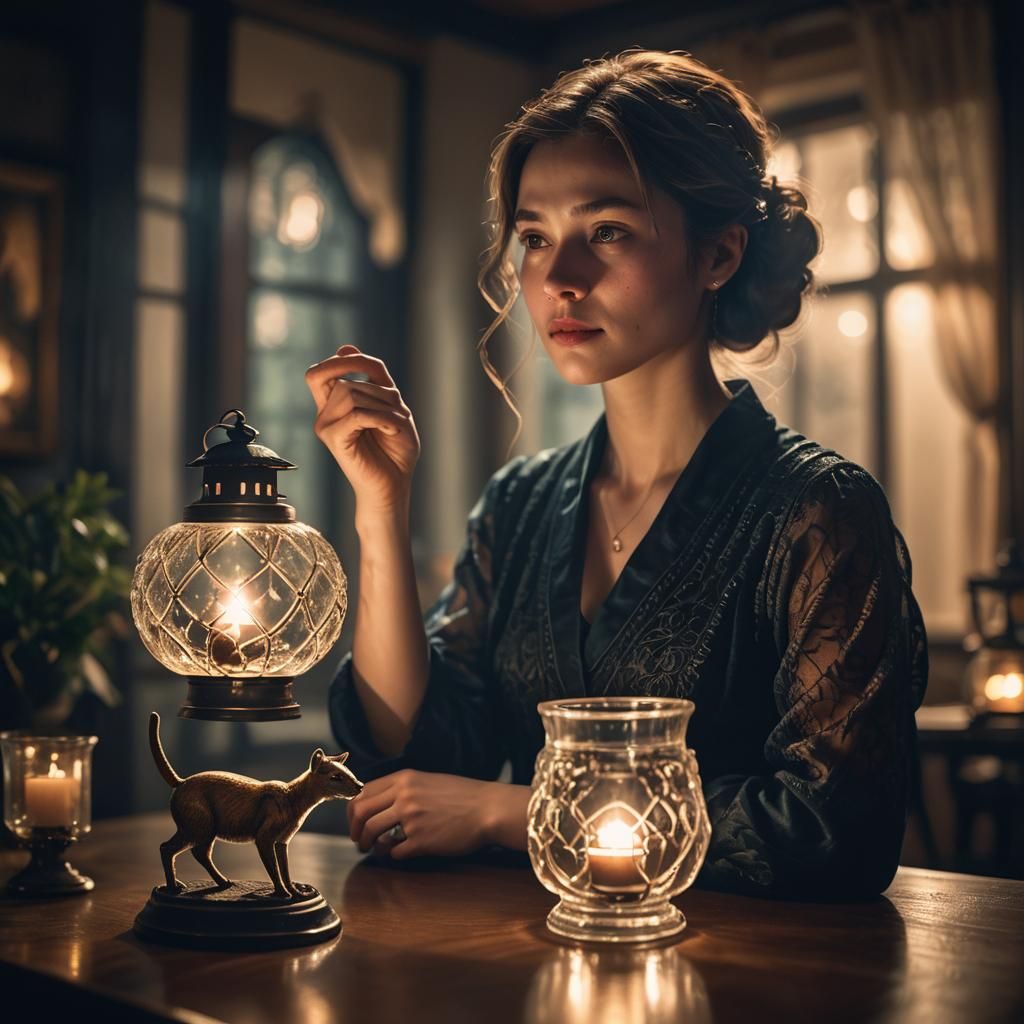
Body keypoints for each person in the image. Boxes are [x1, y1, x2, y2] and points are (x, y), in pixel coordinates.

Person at [305, 49, 928, 899]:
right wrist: (381, 510)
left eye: (606, 231)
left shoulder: (818, 510)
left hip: (752, 963)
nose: (559, 279)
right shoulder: (520, 504)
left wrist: (516, 812)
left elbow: (834, 830)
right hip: (522, 954)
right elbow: (416, 757)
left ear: (719, 255)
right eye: (535, 238)